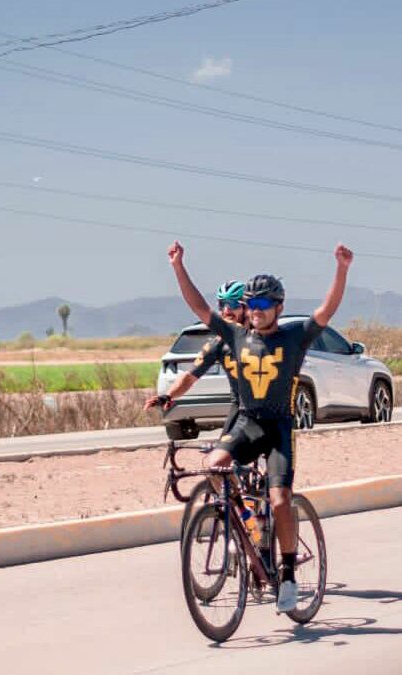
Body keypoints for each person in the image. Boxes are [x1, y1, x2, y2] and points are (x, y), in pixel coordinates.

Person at [167, 239, 353, 612]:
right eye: (251, 305)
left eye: (264, 305)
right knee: (214, 466)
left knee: (281, 498)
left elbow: (326, 311)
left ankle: (285, 574)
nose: (256, 311)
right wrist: (178, 267)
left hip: (279, 428)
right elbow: (200, 307)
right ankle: (240, 521)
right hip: (248, 424)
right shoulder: (236, 336)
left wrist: (342, 269)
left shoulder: (294, 335)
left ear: (278, 307)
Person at [144, 280, 246, 438]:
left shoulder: (263, 337)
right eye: (222, 304)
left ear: (248, 306)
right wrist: (168, 396)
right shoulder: (218, 344)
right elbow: (189, 377)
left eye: (233, 304)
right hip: (241, 407)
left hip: (270, 410)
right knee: (221, 457)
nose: (226, 310)